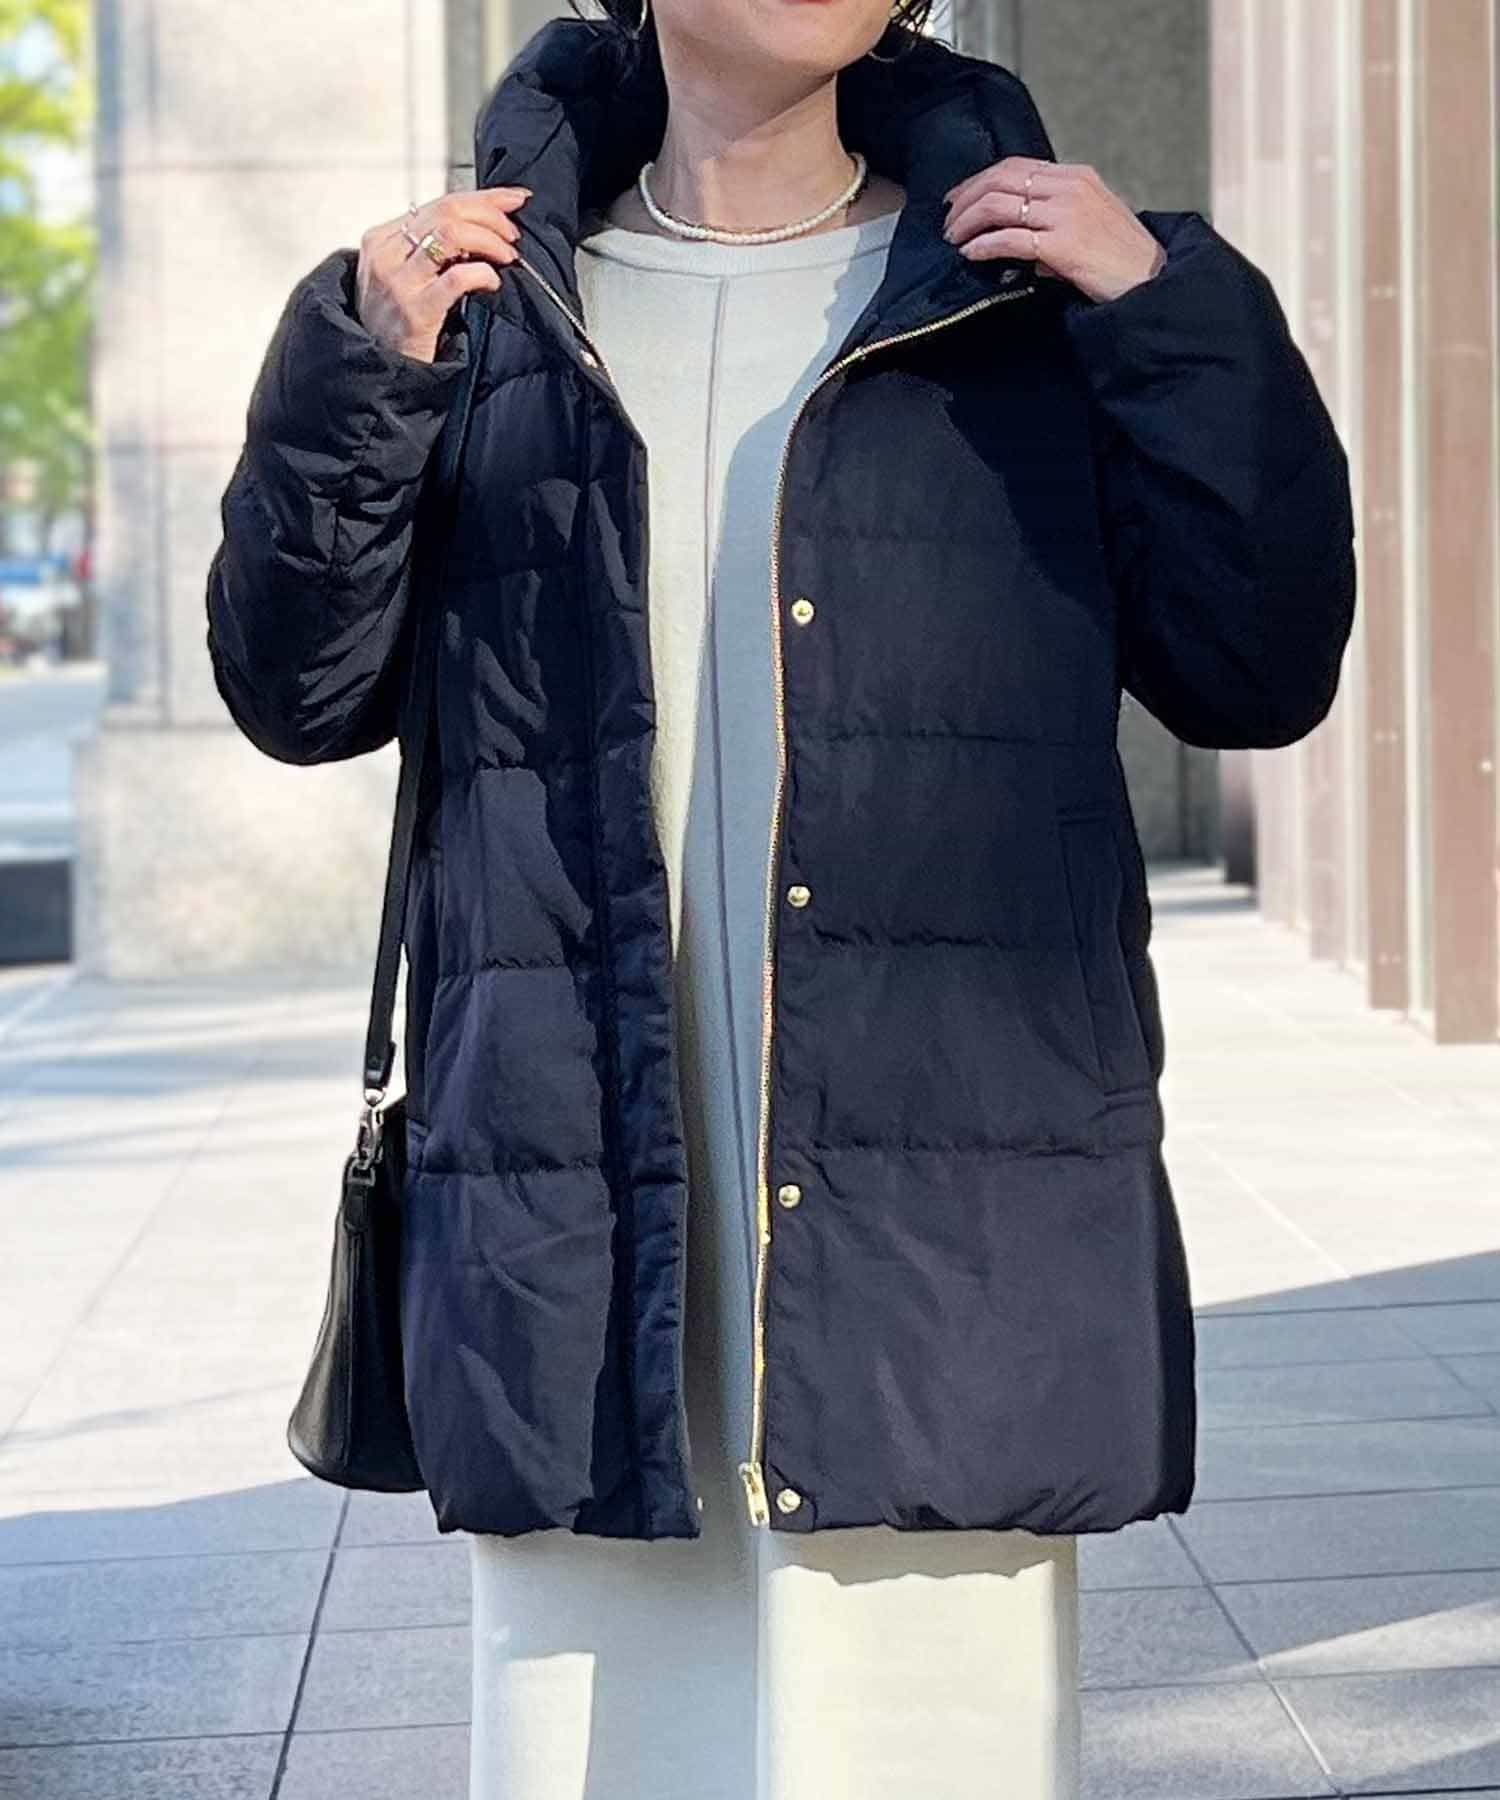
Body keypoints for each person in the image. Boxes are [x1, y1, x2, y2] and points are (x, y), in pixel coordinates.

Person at [205, 2, 1358, 1795]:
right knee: (599, 1745)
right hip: (579, 1193)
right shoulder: (476, 303)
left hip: (941, 1203)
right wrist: (368, 370)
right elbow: (297, 694)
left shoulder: (1029, 292)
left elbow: (1258, 667)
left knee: (926, 1746)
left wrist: (1167, 316)